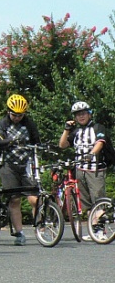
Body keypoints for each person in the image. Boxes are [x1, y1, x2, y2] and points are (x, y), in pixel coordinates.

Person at [0, 94, 40, 246]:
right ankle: (19, 233)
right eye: (14, 115)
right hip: (8, 165)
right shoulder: (2, 124)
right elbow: (0, 139)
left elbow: (36, 141)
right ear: (8, 111)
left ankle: (40, 228)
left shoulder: (29, 124)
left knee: (35, 198)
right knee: (15, 199)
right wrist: (11, 141)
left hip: (26, 164)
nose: (17, 118)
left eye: (20, 115)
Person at [58, 101, 107, 241]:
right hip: (80, 169)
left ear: (89, 114)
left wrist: (91, 154)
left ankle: (100, 230)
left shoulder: (97, 127)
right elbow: (62, 145)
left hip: (95, 169)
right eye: (78, 115)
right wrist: (66, 129)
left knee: (98, 200)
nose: (81, 116)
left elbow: (100, 142)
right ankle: (93, 229)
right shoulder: (77, 132)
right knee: (87, 203)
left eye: (83, 113)